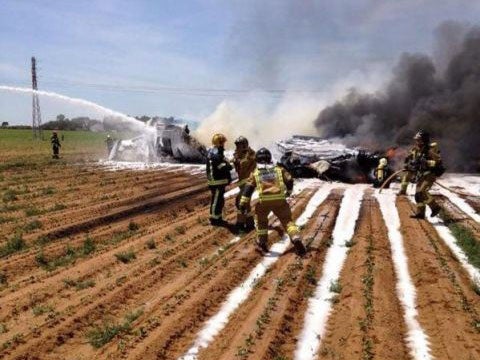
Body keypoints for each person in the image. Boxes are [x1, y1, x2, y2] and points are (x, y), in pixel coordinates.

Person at [239, 147, 306, 256]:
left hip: (264, 202)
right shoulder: (279, 169)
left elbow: (248, 189)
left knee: (261, 222)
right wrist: (288, 191)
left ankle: (262, 242)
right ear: (269, 158)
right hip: (280, 200)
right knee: (287, 221)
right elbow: (289, 180)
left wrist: (243, 203)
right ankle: (295, 237)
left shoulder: (256, 173)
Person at [400, 130, 444, 219]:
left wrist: (426, 162)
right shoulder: (417, 149)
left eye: (419, 140)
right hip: (421, 175)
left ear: (424, 140)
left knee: (422, 192)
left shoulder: (430, 149)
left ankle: (435, 207)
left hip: (429, 175)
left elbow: (438, 162)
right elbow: (412, 159)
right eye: (416, 140)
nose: (417, 141)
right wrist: (410, 165)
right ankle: (420, 213)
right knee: (418, 195)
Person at [206, 133, 232, 225]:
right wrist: (229, 165)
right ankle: (214, 219)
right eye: (223, 143)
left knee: (219, 200)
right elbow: (221, 166)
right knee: (217, 200)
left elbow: (222, 161)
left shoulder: (213, 151)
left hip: (217, 181)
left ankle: (218, 217)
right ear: (219, 143)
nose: (224, 145)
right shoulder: (216, 153)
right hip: (217, 181)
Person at [232, 136, 256, 234]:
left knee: (240, 202)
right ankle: (250, 223)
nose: (237, 147)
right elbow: (236, 165)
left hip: (249, 183)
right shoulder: (241, 154)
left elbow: (243, 164)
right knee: (245, 203)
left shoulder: (250, 154)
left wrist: (237, 159)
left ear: (244, 145)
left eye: (239, 145)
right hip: (243, 183)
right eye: (236, 145)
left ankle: (240, 224)